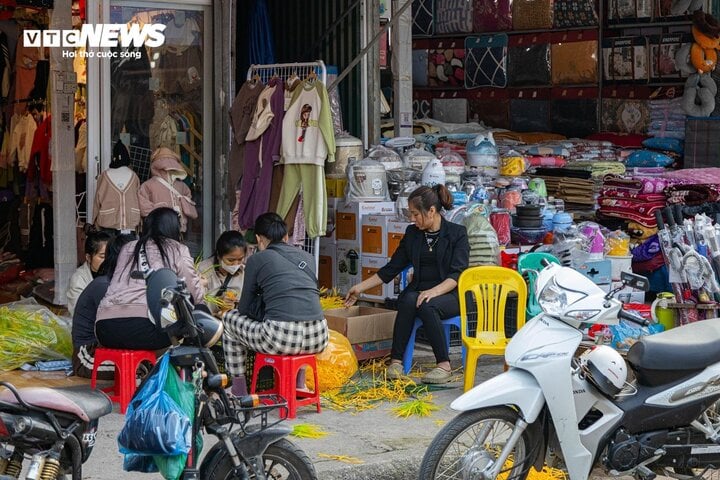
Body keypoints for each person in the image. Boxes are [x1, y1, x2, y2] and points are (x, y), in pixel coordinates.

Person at [344, 185, 470, 384]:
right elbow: (392, 267)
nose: (412, 219)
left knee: (427, 304)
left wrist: (433, 291)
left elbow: (457, 273)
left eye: (415, 214)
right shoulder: (413, 234)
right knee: (408, 299)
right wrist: (360, 287)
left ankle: (444, 365)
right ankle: (396, 362)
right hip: (419, 290)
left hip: (450, 293)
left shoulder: (457, 233)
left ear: (431, 211)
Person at [221, 212, 329, 397]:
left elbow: (244, 309)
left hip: (280, 337)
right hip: (319, 336)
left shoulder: (256, 260)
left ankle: (238, 389)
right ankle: (299, 383)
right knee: (297, 324)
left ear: (258, 238)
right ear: (286, 236)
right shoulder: (307, 257)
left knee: (230, 319)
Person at [95, 207, 205, 350]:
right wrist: (202, 290)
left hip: (105, 329)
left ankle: (143, 369)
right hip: (146, 328)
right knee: (189, 325)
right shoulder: (178, 249)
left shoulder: (128, 248)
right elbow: (194, 294)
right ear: (174, 228)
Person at [71, 233, 136, 378]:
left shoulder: (118, 284)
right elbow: (120, 328)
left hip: (105, 349)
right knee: (138, 369)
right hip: (87, 357)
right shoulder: (103, 286)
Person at [197, 231, 247, 314]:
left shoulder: (244, 272)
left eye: (240, 259)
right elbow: (198, 304)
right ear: (219, 256)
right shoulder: (203, 270)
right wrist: (218, 303)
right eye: (230, 260)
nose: (236, 264)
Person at [66, 229, 113, 315]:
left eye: (110, 256)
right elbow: (79, 311)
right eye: (102, 257)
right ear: (88, 257)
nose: (107, 261)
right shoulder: (79, 279)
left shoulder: (116, 273)